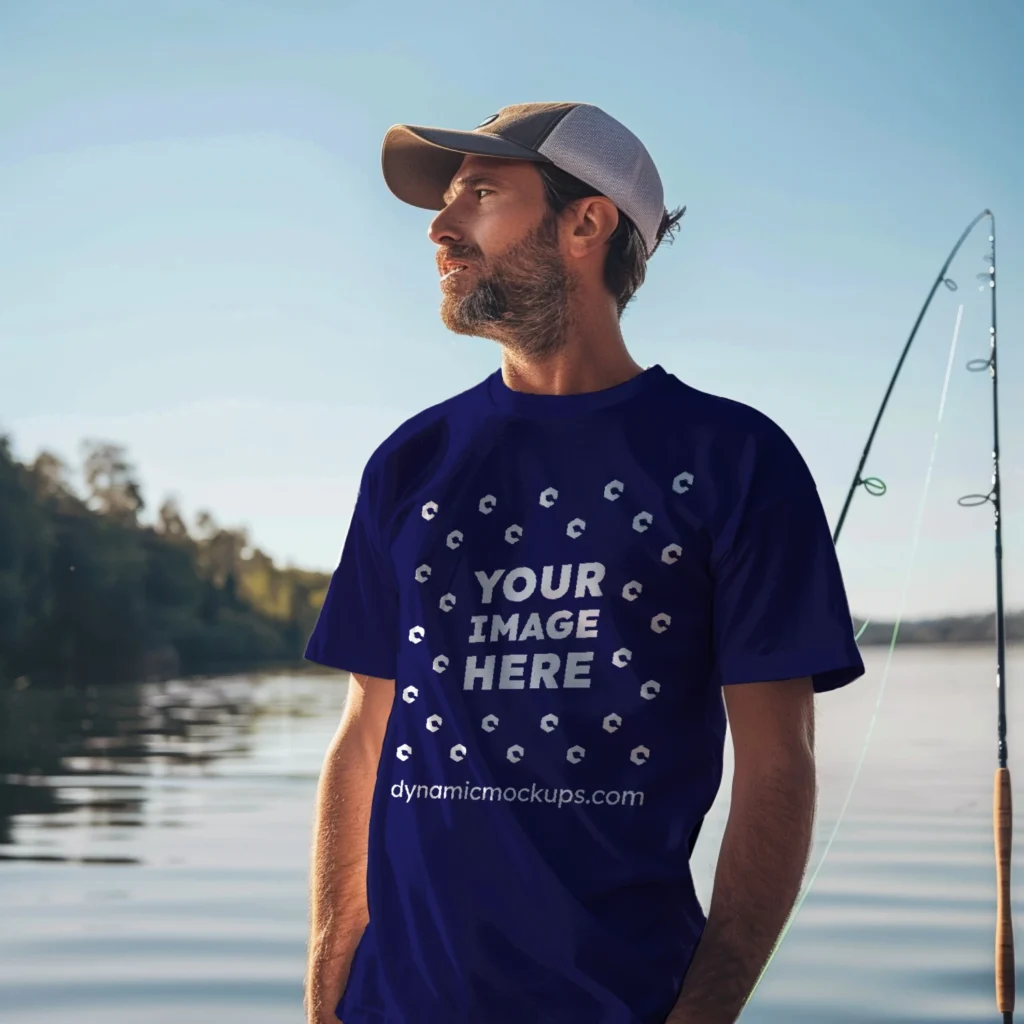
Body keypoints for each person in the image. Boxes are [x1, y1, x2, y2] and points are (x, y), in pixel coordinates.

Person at [303, 101, 865, 1024]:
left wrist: (704, 1012)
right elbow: (366, 737)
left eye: (480, 194)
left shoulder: (735, 459)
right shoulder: (409, 462)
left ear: (586, 222)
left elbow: (779, 765)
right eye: (446, 202)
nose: (441, 227)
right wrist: (328, 992)